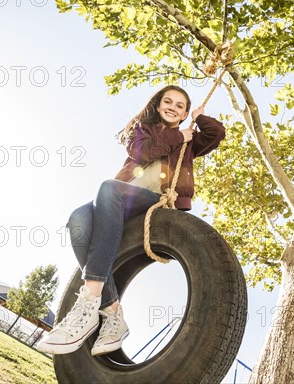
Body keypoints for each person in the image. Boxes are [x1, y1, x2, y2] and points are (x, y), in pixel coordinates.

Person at [36, 85, 226, 356]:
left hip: (157, 204)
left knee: (108, 186)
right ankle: (112, 315)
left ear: (184, 113)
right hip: (123, 201)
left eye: (180, 105)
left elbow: (217, 133)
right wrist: (176, 135)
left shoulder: (189, 141)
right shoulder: (142, 129)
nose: (173, 107)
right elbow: (142, 154)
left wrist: (199, 118)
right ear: (158, 105)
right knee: (78, 219)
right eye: (167, 101)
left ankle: (90, 302)